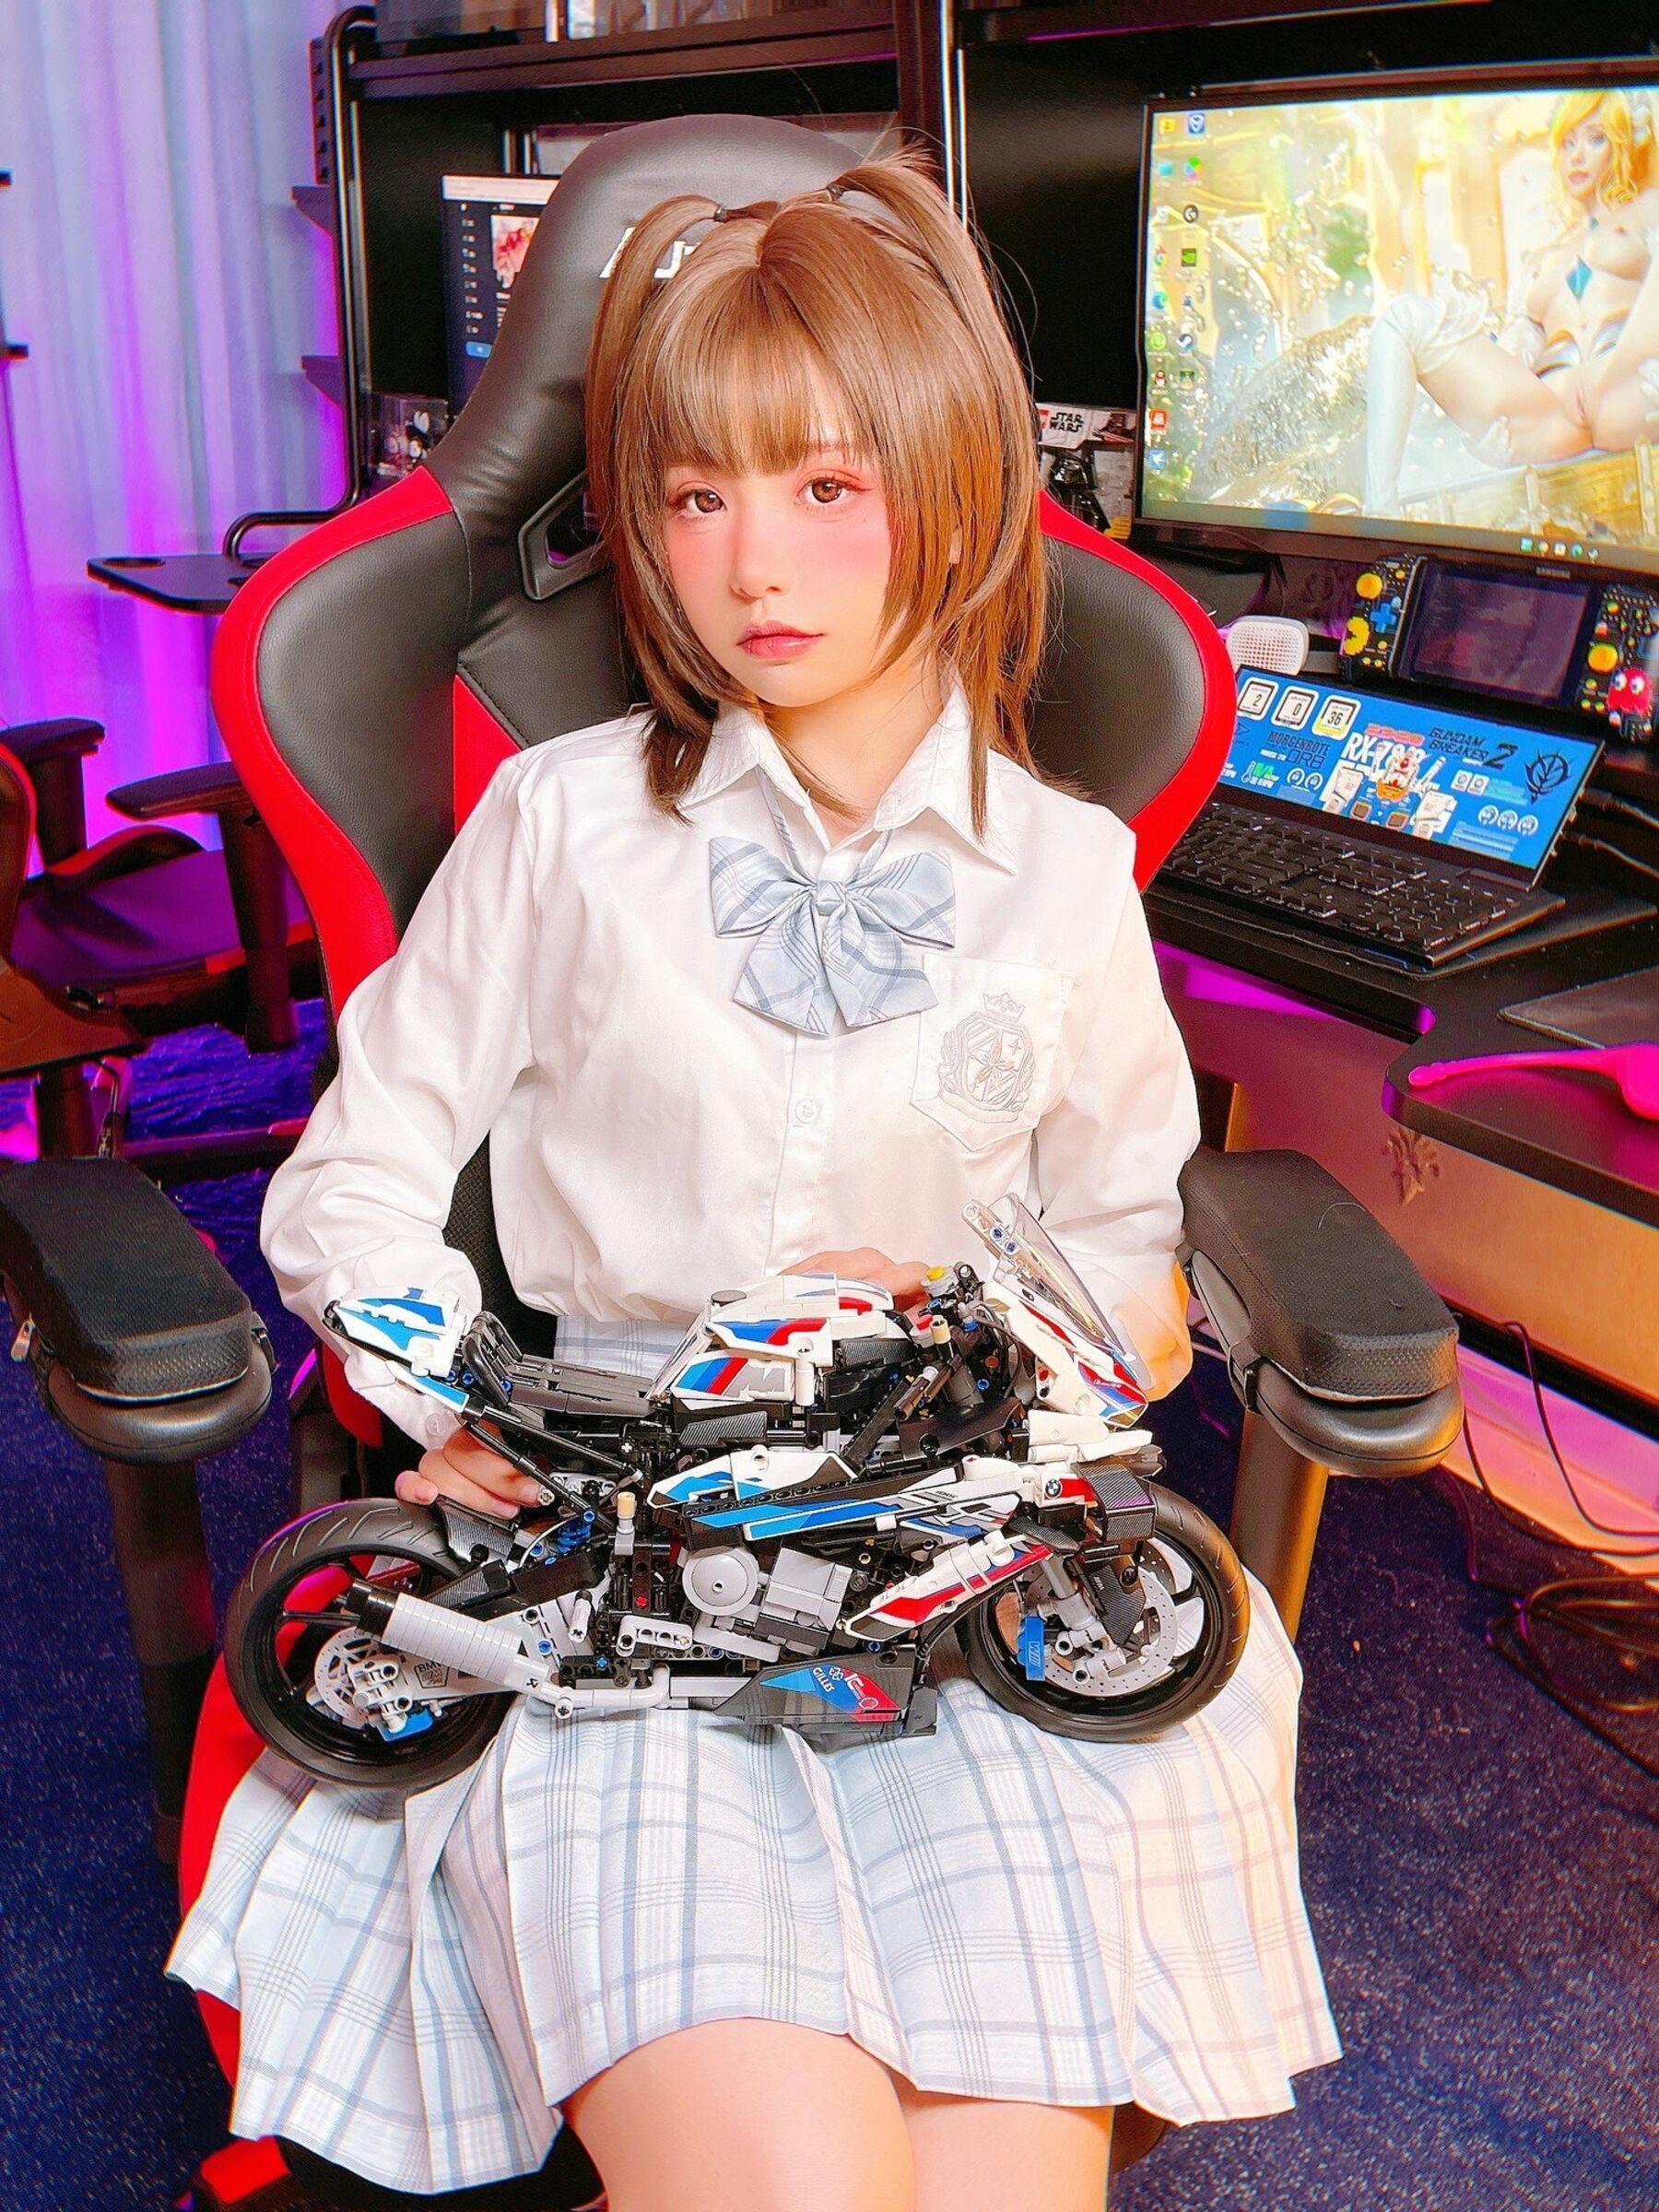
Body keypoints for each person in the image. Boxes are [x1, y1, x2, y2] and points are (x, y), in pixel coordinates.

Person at [166, 144, 1339, 2212]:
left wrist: (1030, 1351)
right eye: (694, 499)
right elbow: (356, 1177)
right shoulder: (560, 827)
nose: (749, 567)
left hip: (953, 1560)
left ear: (950, 494)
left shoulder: (1062, 875)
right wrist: (446, 1397)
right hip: (613, 1547)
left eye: (823, 488)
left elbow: (1127, 1247)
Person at [1364, 88, 1659, 513]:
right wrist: (1486, 424)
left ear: (1623, 144)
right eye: (1567, 143)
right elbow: (1514, 354)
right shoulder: (1542, 260)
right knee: (1401, 320)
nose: (1577, 156)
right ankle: (1379, 511)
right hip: (1549, 418)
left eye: (1595, 139)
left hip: (1628, 388)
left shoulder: (1646, 210)